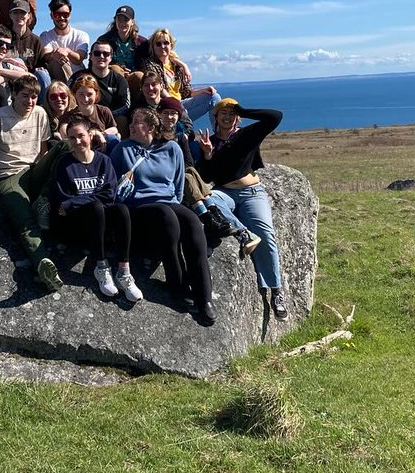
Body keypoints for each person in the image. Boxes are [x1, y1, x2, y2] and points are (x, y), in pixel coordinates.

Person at [110, 108, 215, 324]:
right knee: (166, 214)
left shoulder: (172, 148)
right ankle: (176, 286)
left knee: (192, 220)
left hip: (168, 203)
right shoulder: (123, 149)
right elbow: (112, 183)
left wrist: (177, 206)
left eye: (136, 123)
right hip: (138, 207)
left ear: (150, 127)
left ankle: (204, 298)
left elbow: (177, 187)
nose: (129, 126)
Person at [195, 99, 287, 318]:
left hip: (251, 193)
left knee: (266, 233)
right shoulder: (210, 141)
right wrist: (207, 155)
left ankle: (276, 291)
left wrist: (244, 110)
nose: (227, 117)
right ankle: (243, 232)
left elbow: (275, 115)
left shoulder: (247, 134)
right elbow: (207, 177)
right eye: (222, 113)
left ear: (238, 118)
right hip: (225, 193)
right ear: (215, 118)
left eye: (232, 113)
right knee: (210, 199)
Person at [0, 73, 61, 290]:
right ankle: (42, 263)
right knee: (24, 217)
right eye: (25, 96)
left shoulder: (40, 113)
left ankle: (42, 200)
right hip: (5, 177)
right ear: (13, 95)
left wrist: (44, 183)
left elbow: (42, 149)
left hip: (32, 170)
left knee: (63, 147)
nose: (30, 102)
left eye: (34, 97)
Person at [50, 115, 142, 302]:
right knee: (96, 206)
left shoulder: (103, 161)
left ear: (90, 136)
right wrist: (76, 203)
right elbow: (62, 200)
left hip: (101, 221)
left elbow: (110, 194)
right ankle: (101, 266)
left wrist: (74, 202)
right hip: (77, 224)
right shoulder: (64, 164)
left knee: (121, 210)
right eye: (72, 138)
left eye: (81, 136)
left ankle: (124, 271)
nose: (77, 141)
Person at [158, 97, 256, 254]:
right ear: (158, 114)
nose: (170, 117)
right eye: (166, 113)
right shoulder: (154, 136)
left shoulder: (181, 136)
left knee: (189, 172)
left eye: (173, 113)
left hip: (182, 178)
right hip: (163, 178)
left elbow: (189, 163)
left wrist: (208, 155)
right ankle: (209, 216)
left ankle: (212, 215)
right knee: (187, 175)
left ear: (178, 116)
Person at [139, 28, 219, 124]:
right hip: (166, 107)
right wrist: (175, 105)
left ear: (171, 45)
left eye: (166, 43)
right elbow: (160, 89)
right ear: (153, 47)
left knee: (214, 97)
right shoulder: (150, 64)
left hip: (182, 104)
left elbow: (186, 92)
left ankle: (219, 134)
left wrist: (203, 90)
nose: (162, 46)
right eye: (158, 44)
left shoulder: (177, 65)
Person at [94, 4, 147, 100]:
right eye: (119, 19)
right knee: (115, 69)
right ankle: (117, 102)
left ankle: (135, 105)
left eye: (126, 20)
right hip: (111, 77)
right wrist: (115, 67)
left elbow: (148, 62)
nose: (122, 23)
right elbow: (94, 61)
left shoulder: (142, 42)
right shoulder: (105, 40)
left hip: (133, 77)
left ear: (132, 22)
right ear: (115, 21)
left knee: (139, 76)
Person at [69, 38, 130, 115]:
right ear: (90, 56)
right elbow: (68, 96)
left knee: (122, 120)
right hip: (82, 116)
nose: (101, 56)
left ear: (111, 57)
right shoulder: (77, 77)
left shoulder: (119, 80)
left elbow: (125, 105)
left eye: (106, 54)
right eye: (97, 53)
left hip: (111, 118)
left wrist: (106, 116)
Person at [38, 0, 90, 83]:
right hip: (55, 80)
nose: (62, 18)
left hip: (78, 79)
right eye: (57, 14)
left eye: (65, 14)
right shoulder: (45, 35)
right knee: (57, 60)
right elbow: (46, 55)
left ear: (70, 15)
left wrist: (68, 51)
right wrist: (55, 54)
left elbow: (79, 58)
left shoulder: (81, 35)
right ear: (51, 16)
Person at [8, 0, 51, 92]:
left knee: (43, 75)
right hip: (8, 78)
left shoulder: (36, 40)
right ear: (10, 15)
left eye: (22, 13)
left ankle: (45, 104)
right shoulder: (4, 37)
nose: (19, 16)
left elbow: (41, 64)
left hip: (30, 81)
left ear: (28, 16)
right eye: (15, 12)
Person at [69, 74, 119, 150]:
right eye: (81, 94)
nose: (85, 99)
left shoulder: (104, 111)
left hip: (104, 149)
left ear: (96, 94)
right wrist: (95, 133)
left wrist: (102, 134)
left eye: (89, 94)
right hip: (82, 151)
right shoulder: (71, 116)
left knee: (113, 138)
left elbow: (114, 129)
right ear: (75, 95)